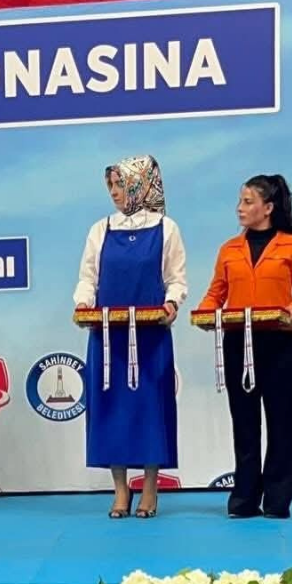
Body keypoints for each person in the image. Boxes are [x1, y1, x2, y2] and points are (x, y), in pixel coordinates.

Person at [198, 174, 292, 519]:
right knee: (244, 423)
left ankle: (278, 500)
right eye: (240, 201)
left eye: (248, 201)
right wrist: (205, 313)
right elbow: (216, 293)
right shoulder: (228, 249)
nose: (240, 208)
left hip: (278, 343)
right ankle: (244, 499)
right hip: (238, 342)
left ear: (268, 208)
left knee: (280, 423)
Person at [74, 155, 187, 518]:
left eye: (120, 185)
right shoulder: (100, 229)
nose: (114, 192)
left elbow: (176, 279)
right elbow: (88, 277)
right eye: (111, 186)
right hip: (109, 336)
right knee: (112, 409)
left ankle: (150, 487)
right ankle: (120, 489)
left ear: (140, 185)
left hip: (151, 336)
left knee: (150, 408)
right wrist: (82, 304)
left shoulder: (166, 228)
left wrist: (172, 303)